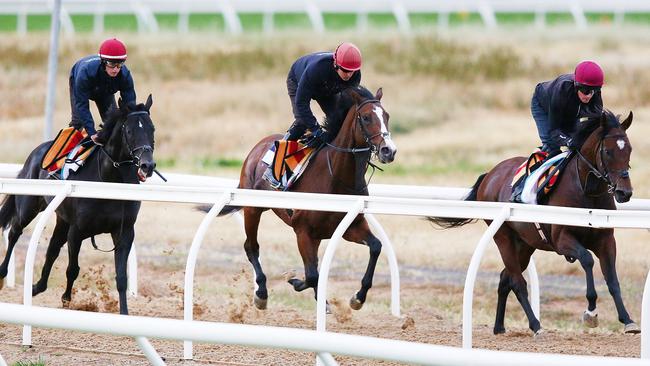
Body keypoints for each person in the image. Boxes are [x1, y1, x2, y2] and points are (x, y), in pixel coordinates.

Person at [263, 42, 362, 187]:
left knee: (338, 119)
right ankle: (273, 164)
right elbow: (301, 104)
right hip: (298, 80)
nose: (348, 75)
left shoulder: (355, 74)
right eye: (345, 70)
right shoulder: (317, 69)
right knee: (303, 122)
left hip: (326, 89)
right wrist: (316, 130)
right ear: (335, 64)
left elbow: (347, 102)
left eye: (351, 71)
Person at [69, 37, 136, 145]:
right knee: (79, 123)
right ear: (103, 62)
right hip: (81, 81)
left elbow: (130, 105)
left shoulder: (125, 75)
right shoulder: (85, 73)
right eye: (112, 64)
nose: (116, 69)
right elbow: (81, 105)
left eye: (120, 65)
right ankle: (65, 155)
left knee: (114, 124)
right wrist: (91, 132)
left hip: (105, 91)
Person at [530, 60, 604, 157]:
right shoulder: (561, 91)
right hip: (542, 105)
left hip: (567, 108)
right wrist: (569, 141)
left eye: (594, 91)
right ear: (576, 86)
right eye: (585, 91)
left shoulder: (594, 93)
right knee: (553, 145)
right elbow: (554, 130)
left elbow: (596, 123)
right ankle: (541, 167)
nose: (589, 96)